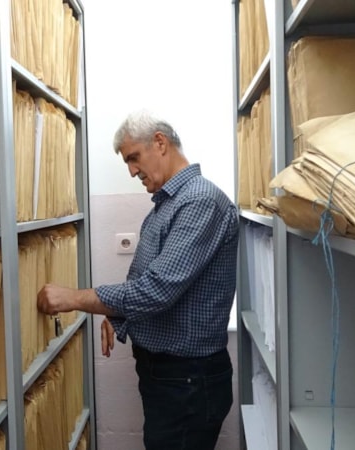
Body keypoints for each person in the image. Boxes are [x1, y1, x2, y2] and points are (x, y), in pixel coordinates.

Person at [37, 110, 239, 450]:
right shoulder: (165, 206)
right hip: (172, 378)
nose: (132, 171)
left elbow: (157, 291)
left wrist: (73, 298)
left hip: (187, 379)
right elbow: (144, 279)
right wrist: (117, 313)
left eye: (133, 158)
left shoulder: (200, 201)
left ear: (160, 142)